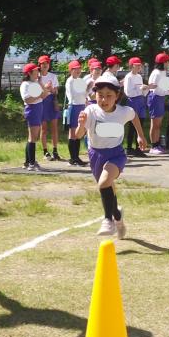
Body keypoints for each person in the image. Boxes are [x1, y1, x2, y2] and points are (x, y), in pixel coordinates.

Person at [74, 73, 147, 238]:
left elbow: (134, 116)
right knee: (107, 188)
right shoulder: (91, 111)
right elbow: (78, 135)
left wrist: (140, 135)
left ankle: (108, 220)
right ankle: (118, 217)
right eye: (100, 95)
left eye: (109, 96)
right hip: (95, 154)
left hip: (116, 154)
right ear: (95, 95)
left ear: (117, 96)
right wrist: (80, 124)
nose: (104, 100)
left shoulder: (123, 112)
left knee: (104, 183)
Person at [20, 63, 50, 171]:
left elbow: (45, 94)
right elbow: (27, 99)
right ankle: (32, 163)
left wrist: (41, 82)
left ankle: (28, 162)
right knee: (33, 138)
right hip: (32, 109)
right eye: (36, 70)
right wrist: (39, 95)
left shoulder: (36, 82)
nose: (38, 72)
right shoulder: (25, 84)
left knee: (32, 137)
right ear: (29, 73)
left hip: (38, 108)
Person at [64, 60, 89, 166]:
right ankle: (73, 158)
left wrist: (88, 89)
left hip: (81, 106)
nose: (78, 70)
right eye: (75, 69)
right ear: (71, 70)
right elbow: (73, 95)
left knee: (79, 132)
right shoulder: (70, 81)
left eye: (79, 68)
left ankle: (76, 157)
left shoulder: (80, 80)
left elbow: (84, 94)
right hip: (74, 106)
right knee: (73, 133)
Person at [37, 55, 62, 161]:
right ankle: (45, 152)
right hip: (41, 102)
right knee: (43, 128)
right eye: (43, 63)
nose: (45, 65)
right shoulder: (37, 77)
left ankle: (55, 151)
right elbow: (36, 92)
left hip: (51, 102)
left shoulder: (53, 76)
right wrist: (46, 89)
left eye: (47, 63)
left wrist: (51, 89)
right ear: (39, 65)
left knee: (54, 127)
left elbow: (56, 91)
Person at [123, 56, 148, 156]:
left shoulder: (139, 76)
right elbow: (128, 92)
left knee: (140, 124)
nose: (139, 67)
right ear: (132, 66)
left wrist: (145, 90)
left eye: (139, 65)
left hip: (141, 100)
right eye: (137, 65)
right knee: (132, 125)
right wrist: (140, 89)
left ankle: (138, 148)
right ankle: (129, 147)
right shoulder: (128, 77)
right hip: (133, 101)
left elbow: (142, 90)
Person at [146, 52, 169, 155]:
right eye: (167, 61)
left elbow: (163, 87)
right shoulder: (156, 73)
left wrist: (168, 91)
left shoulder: (162, 72)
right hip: (155, 97)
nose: (168, 63)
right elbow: (152, 87)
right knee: (155, 123)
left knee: (158, 124)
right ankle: (153, 146)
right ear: (163, 62)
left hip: (160, 98)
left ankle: (157, 144)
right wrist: (168, 91)